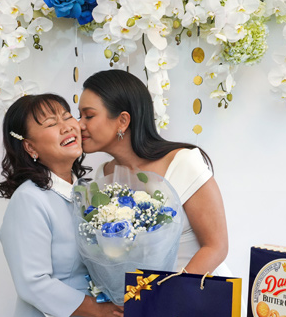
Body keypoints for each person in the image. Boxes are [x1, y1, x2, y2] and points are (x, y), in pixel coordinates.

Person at [0, 94, 123, 317]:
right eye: (51, 123)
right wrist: (102, 311)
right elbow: (33, 283)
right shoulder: (29, 199)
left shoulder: (89, 192)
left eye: (67, 116)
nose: (67, 126)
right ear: (30, 146)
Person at [78, 69, 230, 276]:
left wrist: (168, 290)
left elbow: (216, 247)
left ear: (123, 121)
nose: (79, 124)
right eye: (79, 116)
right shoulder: (103, 175)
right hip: (138, 292)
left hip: (195, 289)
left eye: (89, 115)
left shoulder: (182, 162)